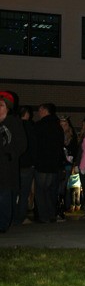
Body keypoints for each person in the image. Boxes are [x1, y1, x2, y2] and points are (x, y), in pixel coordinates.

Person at [0, 91, 27, 232]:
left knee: (4, 196)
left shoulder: (13, 122)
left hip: (6, 167)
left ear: (8, 107)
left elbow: (22, 144)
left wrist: (9, 155)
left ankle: (3, 224)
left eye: (1, 105)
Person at [34, 103, 65, 224]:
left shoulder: (39, 126)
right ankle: (51, 214)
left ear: (44, 111)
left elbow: (36, 145)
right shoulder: (57, 127)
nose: (38, 112)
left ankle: (43, 216)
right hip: (53, 164)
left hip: (42, 163)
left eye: (40, 110)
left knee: (40, 191)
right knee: (48, 190)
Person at [14, 105, 37, 225]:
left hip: (15, 164)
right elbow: (34, 146)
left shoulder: (13, 125)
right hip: (27, 164)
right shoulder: (30, 127)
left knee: (13, 192)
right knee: (24, 193)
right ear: (27, 114)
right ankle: (21, 217)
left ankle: (11, 215)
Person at [58, 116, 78, 217]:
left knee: (64, 186)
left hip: (67, 165)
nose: (63, 127)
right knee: (60, 186)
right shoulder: (57, 134)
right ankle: (62, 206)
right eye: (61, 125)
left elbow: (75, 149)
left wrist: (70, 156)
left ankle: (63, 207)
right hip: (59, 164)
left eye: (64, 125)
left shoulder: (71, 135)